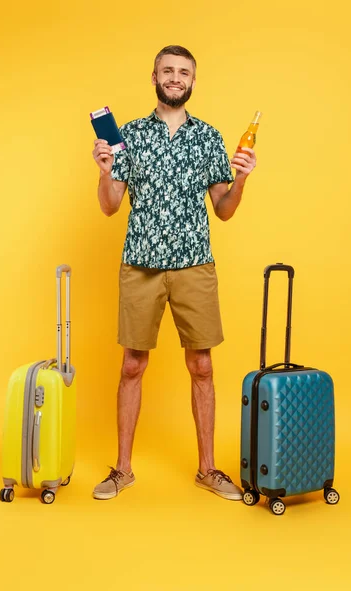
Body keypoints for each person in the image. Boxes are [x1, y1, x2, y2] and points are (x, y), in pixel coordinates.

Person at [92, 45, 257, 501]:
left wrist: (241, 179)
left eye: (184, 72)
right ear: (154, 78)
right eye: (168, 70)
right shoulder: (128, 135)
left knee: (201, 365)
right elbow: (109, 206)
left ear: (193, 81)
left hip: (194, 265)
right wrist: (105, 171)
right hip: (140, 264)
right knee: (132, 364)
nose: (175, 77)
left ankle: (207, 469)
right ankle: (122, 470)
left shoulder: (208, 137)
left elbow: (223, 211)